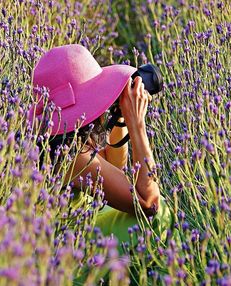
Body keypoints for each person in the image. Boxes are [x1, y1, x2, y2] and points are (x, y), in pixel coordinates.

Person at [28, 44, 169, 252]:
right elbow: (149, 203)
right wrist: (136, 123)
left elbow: (114, 167)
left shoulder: (57, 141)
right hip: (68, 257)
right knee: (161, 213)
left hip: (74, 236)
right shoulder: (69, 156)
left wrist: (118, 113)